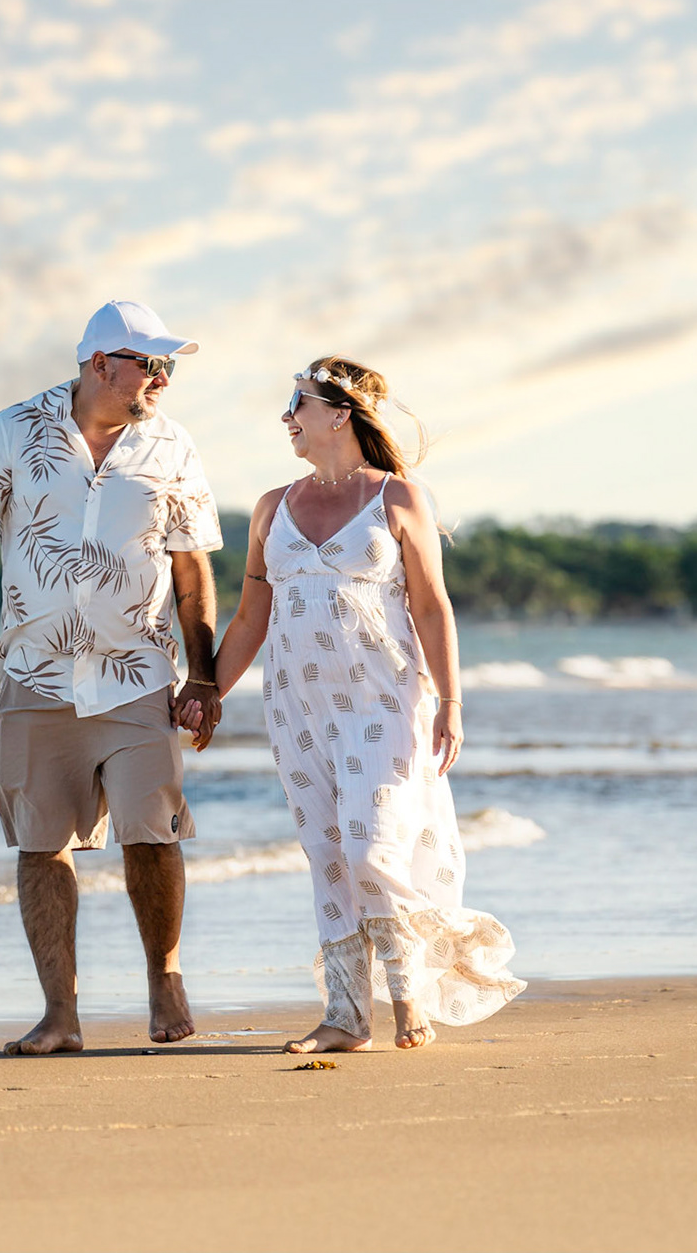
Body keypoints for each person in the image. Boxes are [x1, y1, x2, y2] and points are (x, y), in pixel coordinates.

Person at [0, 300, 225, 1055]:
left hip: (139, 673)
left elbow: (191, 567)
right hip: (36, 675)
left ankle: (164, 975)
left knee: (153, 832)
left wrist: (202, 677)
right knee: (41, 843)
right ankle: (61, 1013)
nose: (164, 379)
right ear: (101, 364)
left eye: (168, 365)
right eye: (154, 363)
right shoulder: (15, 429)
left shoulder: (173, 446)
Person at [181, 355, 523, 1052]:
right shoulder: (273, 506)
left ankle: (412, 989)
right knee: (328, 853)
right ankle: (346, 1016)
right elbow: (250, 618)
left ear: (339, 413)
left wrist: (451, 702)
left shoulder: (399, 498)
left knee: (370, 844)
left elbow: (431, 606)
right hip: (297, 707)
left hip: (385, 700)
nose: (287, 418)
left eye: (298, 404)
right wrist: (208, 689)